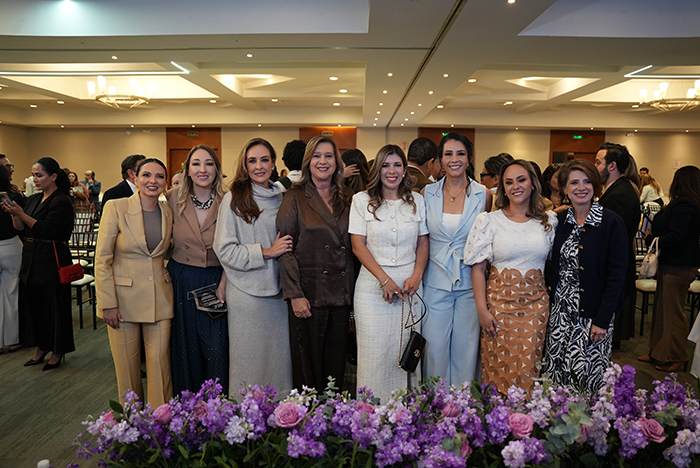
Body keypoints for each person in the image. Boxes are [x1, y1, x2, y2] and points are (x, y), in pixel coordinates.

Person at [464, 159, 556, 394]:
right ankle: (497, 416)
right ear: (503, 188)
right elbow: (478, 270)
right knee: (497, 370)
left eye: (521, 180)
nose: (516, 186)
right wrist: (482, 311)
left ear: (533, 183)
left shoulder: (548, 221)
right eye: (509, 182)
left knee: (528, 371)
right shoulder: (489, 221)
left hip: (535, 307)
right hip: (498, 308)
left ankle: (524, 417)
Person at [214, 138, 293, 397]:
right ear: (245, 165)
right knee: (249, 362)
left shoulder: (283, 197)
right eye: (252, 161)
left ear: (274, 163)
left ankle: (280, 414)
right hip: (246, 293)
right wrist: (267, 251)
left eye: (264, 160)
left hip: (279, 293)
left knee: (279, 362)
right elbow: (225, 250)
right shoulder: (233, 199)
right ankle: (246, 415)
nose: (259, 166)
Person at [349, 144, 428, 401]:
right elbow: (358, 245)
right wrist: (384, 280)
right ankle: (371, 412)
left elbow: (423, 243)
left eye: (397, 165)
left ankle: (405, 412)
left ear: (405, 170)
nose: (391, 171)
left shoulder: (417, 200)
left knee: (405, 352)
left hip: (409, 288)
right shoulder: (361, 200)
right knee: (374, 355)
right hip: (372, 289)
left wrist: (417, 275)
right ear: (377, 170)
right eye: (385, 165)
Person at [276, 136, 355, 392]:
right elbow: (285, 250)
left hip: (341, 294)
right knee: (307, 368)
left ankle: (334, 414)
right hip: (309, 294)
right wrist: (295, 294)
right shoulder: (294, 196)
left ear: (337, 162)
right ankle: (307, 416)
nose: (323, 161)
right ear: (308, 161)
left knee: (336, 369)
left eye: (329, 156)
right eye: (317, 156)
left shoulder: (349, 197)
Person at [542, 160, 627, 394]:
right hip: (560, 313)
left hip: (592, 316)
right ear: (564, 188)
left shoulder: (610, 222)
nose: (581, 188)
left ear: (595, 185)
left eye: (587, 182)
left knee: (584, 379)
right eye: (574, 183)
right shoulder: (560, 222)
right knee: (556, 374)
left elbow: (617, 275)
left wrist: (602, 319)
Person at [95, 158, 174, 407]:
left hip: (160, 298)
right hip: (122, 301)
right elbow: (102, 259)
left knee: (161, 367)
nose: (153, 181)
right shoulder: (116, 207)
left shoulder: (167, 211)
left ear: (166, 182)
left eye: (160, 176)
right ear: (135, 178)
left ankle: (161, 421)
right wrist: (107, 303)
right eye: (146, 175)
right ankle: (132, 422)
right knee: (127, 371)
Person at [421, 132, 488, 386]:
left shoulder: (483, 194)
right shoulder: (427, 193)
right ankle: (436, 402)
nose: (454, 159)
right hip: (435, 279)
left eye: (460, 153)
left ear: (469, 159)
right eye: (448, 154)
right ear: (440, 160)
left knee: (466, 348)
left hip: (470, 281)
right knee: (434, 347)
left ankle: (463, 403)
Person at [2, 157, 75, 371]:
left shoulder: (61, 201)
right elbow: (20, 228)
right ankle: (41, 347)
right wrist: (14, 214)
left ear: (53, 176)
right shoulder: (34, 199)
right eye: (33, 175)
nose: (35, 179)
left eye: (39, 175)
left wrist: (21, 214)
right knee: (36, 307)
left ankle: (58, 350)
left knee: (54, 307)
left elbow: (48, 229)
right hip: (32, 257)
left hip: (52, 257)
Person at [166, 145, 228, 396]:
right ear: (187, 170)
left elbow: (236, 245)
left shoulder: (229, 199)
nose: (203, 169)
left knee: (216, 348)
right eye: (196, 163)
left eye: (209, 163)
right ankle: (188, 407)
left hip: (217, 280)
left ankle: (217, 408)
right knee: (184, 347)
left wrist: (224, 283)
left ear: (217, 169)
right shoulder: (172, 198)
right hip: (181, 281)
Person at [643, 166, 700, 372]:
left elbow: (678, 235)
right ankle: (658, 352)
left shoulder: (686, 203)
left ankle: (677, 355)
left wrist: (652, 239)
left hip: (679, 265)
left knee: (672, 312)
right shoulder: (685, 202)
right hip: (673, 264)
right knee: (662, 310)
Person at [595, 143, 641, 349]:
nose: (595, 167)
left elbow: (614, 241)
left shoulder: (619, 195)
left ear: (612, 166)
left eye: (598, 162)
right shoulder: (618, 189)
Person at [0, 165, 24, 354]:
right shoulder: (14, 197)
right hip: (11, 246)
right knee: (12, 294)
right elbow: (20, 227)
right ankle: (13, 340)